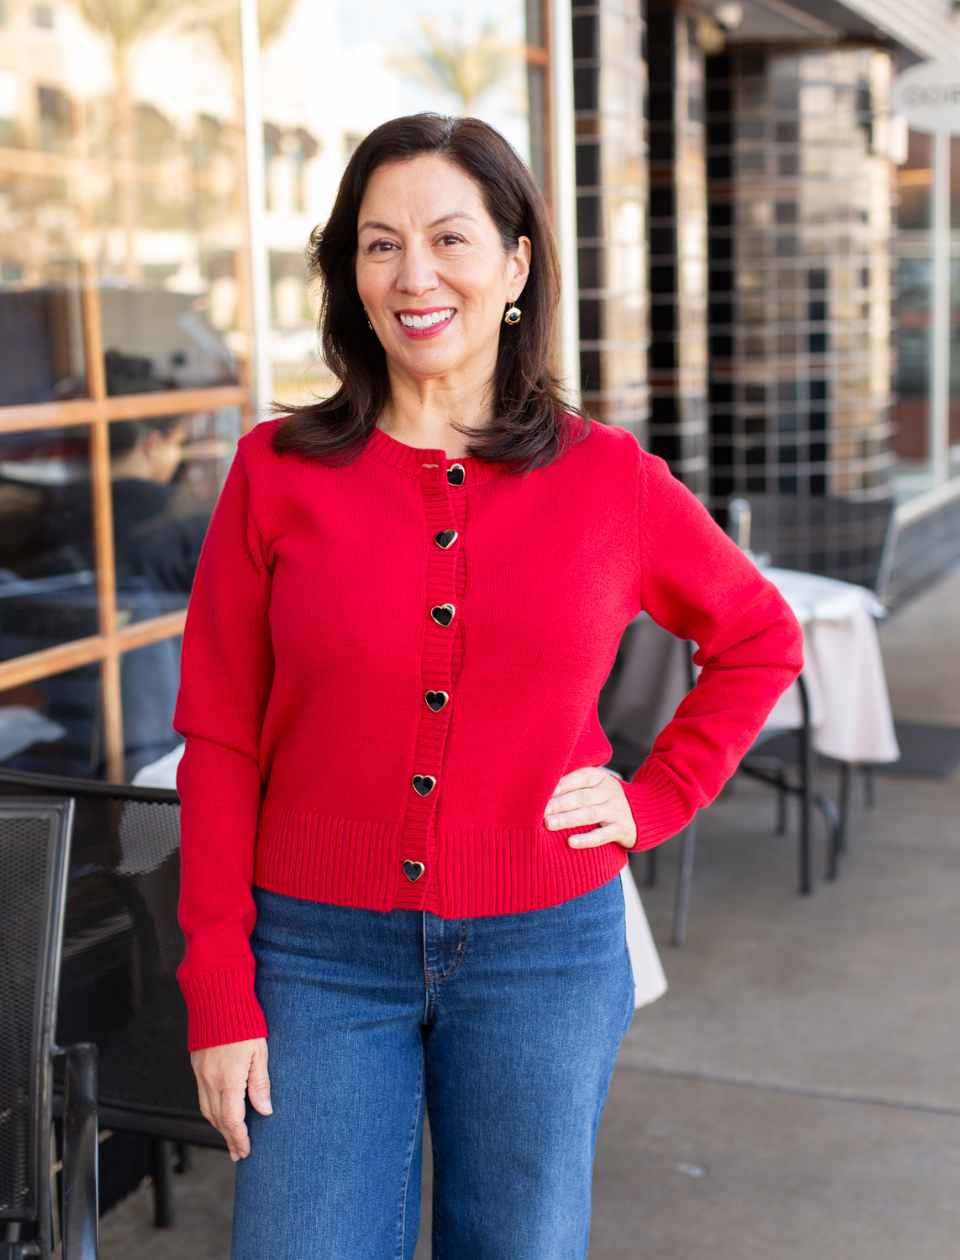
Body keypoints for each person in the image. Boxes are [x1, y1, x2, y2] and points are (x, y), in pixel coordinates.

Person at [175, 114, 803, 1260]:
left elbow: (760, 636)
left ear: (515, 264)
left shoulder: (611, 480)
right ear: (348, 275)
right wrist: (218, 981)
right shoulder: (275, 473)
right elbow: (217, 738)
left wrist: (653, 799)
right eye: (379, 244)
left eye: (449, 238)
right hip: (313, 954)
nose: (414, 274)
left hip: (543, 952)